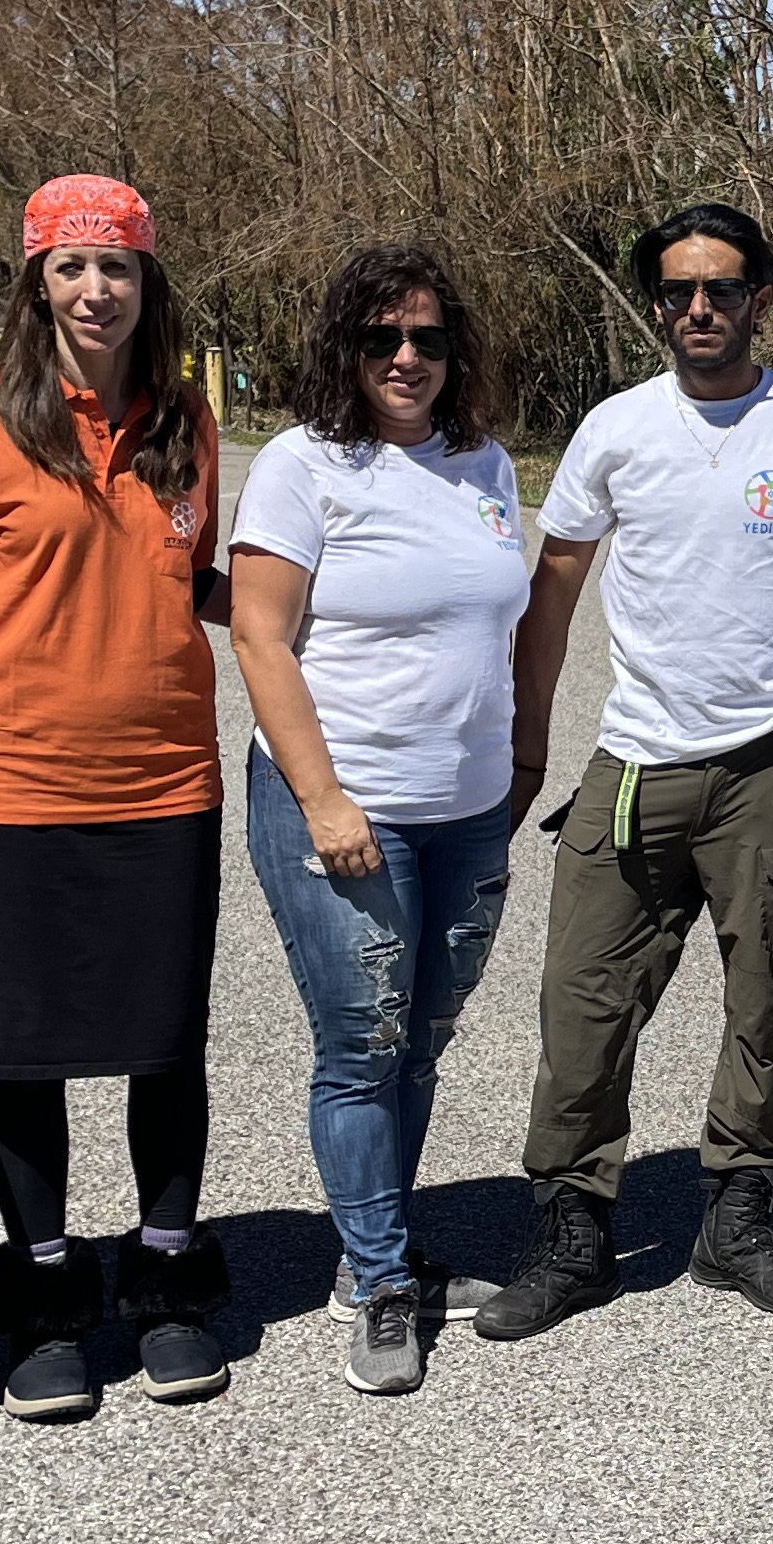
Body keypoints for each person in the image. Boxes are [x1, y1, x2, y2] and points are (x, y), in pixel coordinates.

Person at [482, 203, 773, 1338]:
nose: (700, 309)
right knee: (581, 1003)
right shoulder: (613, 431)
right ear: (656, 304)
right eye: (681, 291)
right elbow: (554, 593)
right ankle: (575, 1229)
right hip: (636, 764)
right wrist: (528, 750)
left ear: (760, 300)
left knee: (762, 1001)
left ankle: (739, 1215)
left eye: (723, 290)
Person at [0, 175, 233, 1423]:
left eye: (118, 269)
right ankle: (48, 1296)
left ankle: (164, 1275)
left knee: (166, 1043)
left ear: (148, 283)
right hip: (15, 783)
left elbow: (210, 582)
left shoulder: (187, 417)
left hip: (167, 779)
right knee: (28, 1054)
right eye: (70, 268)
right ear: (35, 281)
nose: (95, 290)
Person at [228, 247, 537, 1396]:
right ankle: (376, 1276)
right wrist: (322, 798)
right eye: (380, 340)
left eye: (427, 339)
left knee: (422, 1039)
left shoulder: (484, 466)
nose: (406, 359)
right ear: (343, 350)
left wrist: (515, 770)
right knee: (360, 1048)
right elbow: (259, 637)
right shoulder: (304, 469)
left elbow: (496, 630)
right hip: (341, 808)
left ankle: (381, 1250)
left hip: (466, 811)